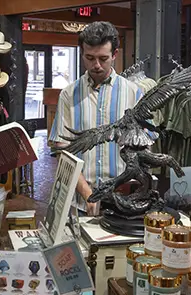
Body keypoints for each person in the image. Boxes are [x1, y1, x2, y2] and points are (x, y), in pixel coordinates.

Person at [49, 21, 144, 215]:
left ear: (114, 55)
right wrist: (88, 194)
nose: (97, 65)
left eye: (103, 58)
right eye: (90, 58)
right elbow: (63, 151)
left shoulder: (134, 93)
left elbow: (142, 148)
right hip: (80, 201)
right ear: (82, 53)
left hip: (124, 200)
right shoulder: (68, 95)